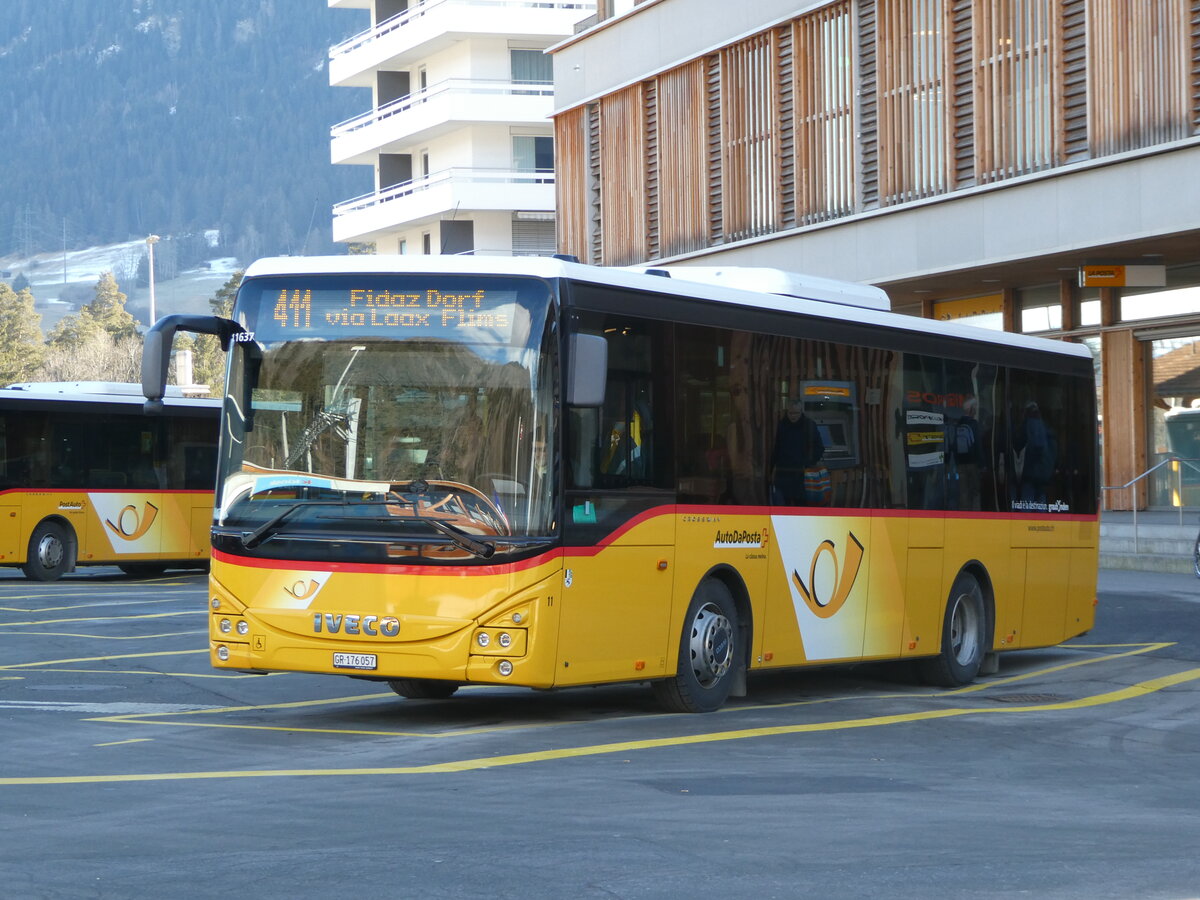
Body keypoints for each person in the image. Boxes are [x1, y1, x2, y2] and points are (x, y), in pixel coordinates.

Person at [771, 398, 825, 505]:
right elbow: (777, 448)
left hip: (801, 475)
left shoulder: (809, 425)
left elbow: (819, 447)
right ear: (787, 412)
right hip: (784, 474)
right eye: (791, 413)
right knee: (784, 507)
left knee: (801, 506)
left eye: (796, 413)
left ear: (801, 411)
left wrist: (808, 463)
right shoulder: (782, 425)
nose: (793, 416)